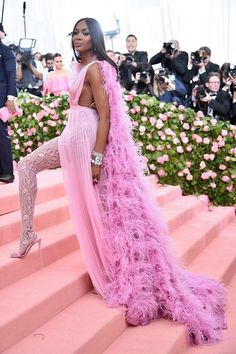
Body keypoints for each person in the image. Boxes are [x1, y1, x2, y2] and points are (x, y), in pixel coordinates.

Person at [11, 17, 226, 346]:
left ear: (95, 38)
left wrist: (97, 157)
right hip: (71, 135)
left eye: (85, 32)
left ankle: (113, 265)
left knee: (95, 203)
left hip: (85, 141)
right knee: (27, 167)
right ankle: (28, 234)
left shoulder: (97, 68)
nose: (79, 37)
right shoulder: (76, 65)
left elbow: (106, 116)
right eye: (76, 32)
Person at [0, 23, 17, 183]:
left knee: (1, 134)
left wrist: (11, 97)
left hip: (1, 96)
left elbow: (12, 74)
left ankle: (7, 172)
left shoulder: (6, 51)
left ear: (2, 34)